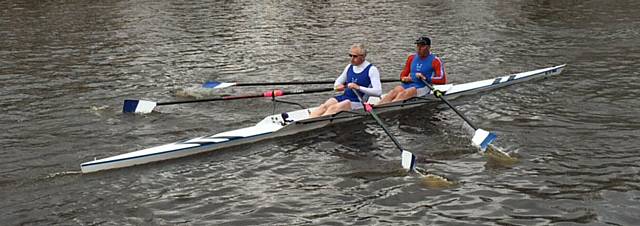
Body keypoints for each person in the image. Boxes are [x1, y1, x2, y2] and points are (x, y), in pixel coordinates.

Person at [309, 43, 382, 117]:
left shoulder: (372, 70)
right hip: (345, 97)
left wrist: (358, 87)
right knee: (324, 106)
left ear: (363, 56)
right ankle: (308, 122)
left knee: (333, 108)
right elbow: (337, 82)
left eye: (355, 56)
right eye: (350, 55)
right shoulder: (349, 67)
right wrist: (337, 86)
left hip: (359, 102)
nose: (352, 59)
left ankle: (317, 125)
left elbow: (378, 92)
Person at [378, 36, 446, 104]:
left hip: (424, 86)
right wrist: (404, 78)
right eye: (418, 46)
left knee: (405, 93)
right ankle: (377, 106)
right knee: (394, 91)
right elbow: (403, 74)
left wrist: (425, 78)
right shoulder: (411, 58)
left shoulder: (435, 60)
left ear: (428, 47)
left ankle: (386, 108)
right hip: (409, 84)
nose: (419, 48)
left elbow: (442, 79)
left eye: (422, 46)